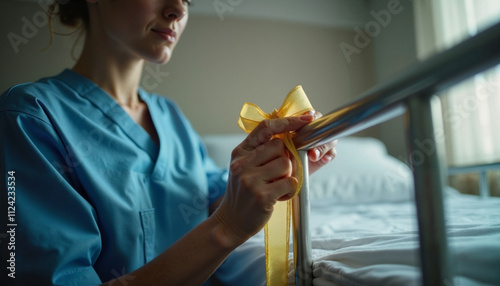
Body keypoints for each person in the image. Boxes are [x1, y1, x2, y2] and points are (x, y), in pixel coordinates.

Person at [0, 0, 337, 285]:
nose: (178, 9)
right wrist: (225, 228)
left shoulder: (169, 116)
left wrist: (278, 167)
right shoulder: (29, 117)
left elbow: (209, 197)